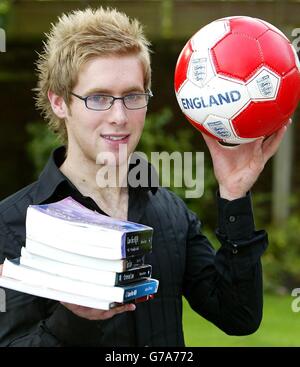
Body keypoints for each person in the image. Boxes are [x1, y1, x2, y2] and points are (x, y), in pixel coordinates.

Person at [0, 7, 289, 347]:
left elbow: (238, 316)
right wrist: (74, 318)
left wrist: (234, 194)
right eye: (98, 98)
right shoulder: (14, 224)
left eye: (133, 96)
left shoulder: (170, 213)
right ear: (60, 102)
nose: (120, 116)